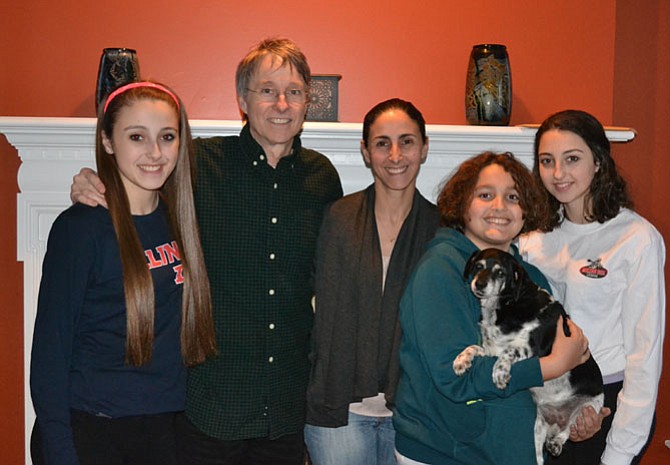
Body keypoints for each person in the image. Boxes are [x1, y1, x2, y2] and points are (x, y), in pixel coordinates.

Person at [70, 38, 343, 465]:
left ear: (308, 101)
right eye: (267, 90)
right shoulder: (197, 163)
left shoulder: (322, 178)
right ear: (242, 100)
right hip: (210, 406)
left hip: (286, 408)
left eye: (294, 92)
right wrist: (91, 179)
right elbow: (142, 169)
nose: (281, 104)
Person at [31, 81, 217, 465]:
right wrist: (60, 452)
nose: (155, 153)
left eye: (167, 136)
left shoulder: (180, 217)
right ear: (108, 142)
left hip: (168, 430)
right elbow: (50, 354)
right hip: (96, 432)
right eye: (137, 136)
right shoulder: (81, 229)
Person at [392, 151, 592, 465]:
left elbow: (538, 373)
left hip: (508, 451)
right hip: (447, 451)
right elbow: (455, 377)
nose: (500, 207)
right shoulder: (440, 270)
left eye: (513, 197)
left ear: (527, 209)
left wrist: (570, 416)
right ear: (463, 205)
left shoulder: (532, 280)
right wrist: (552, 366)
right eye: (485, 195)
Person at [518, 109, 665, 465]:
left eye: (572, 159)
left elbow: (645, 353)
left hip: (604, 405)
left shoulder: (635, 238)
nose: (558, 173)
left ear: (598, 161)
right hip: (540, 400)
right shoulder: (530, 241)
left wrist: (619, 451)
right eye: (546, 161)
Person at [304, 98, 440, 465]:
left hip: (414, 414)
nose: (395, 155)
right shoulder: (335, 218)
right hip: (338, 413)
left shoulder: (442, 231)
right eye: (382, 143)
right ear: (366, 152)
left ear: (424, 148)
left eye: (407, 141)